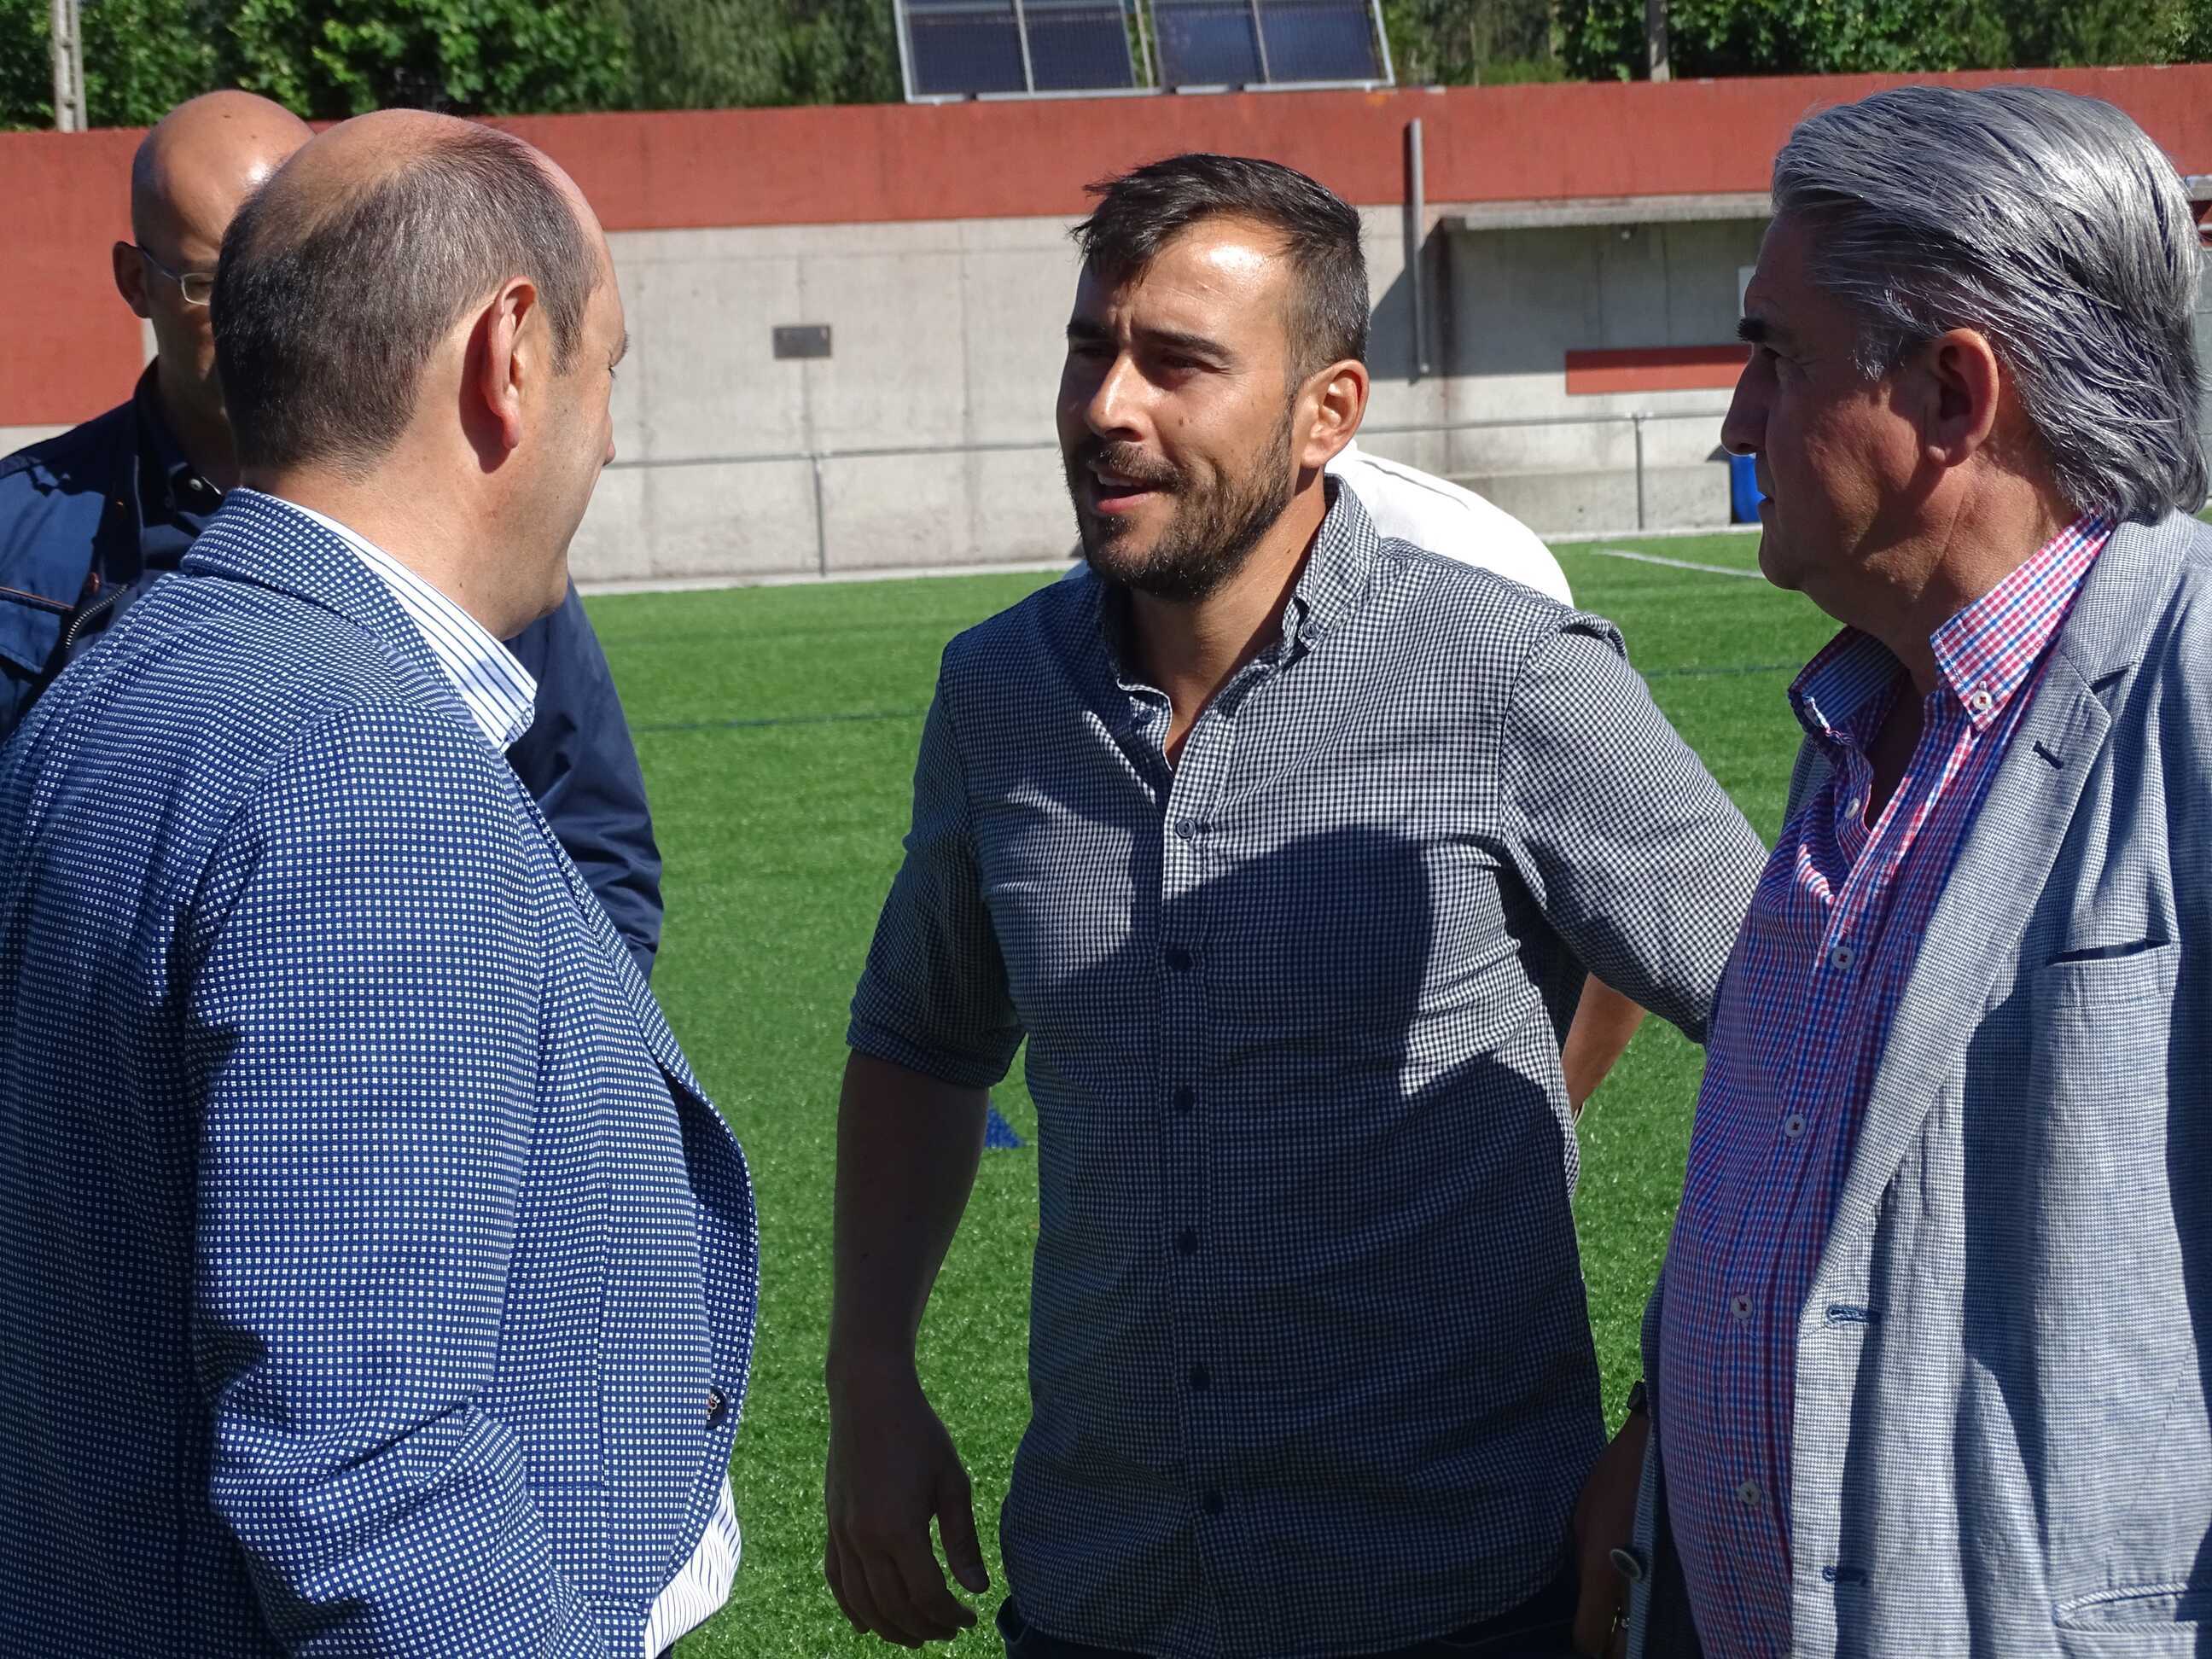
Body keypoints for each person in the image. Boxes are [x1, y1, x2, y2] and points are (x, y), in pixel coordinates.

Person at [823, 153, 1766, 1659]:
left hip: (1454, 1596)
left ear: (1326, 412)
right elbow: (922, 1040)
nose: (1107, 405)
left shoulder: (1509, 674)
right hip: (1103, 1589)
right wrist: (870, 1372)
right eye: (1090, 348)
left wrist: (1669, 1413)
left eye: (1177, 363)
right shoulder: (998, 691)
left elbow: (1800, 1033)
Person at [0, 111, 757, 1655]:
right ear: (508, 358)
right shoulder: (361, 768)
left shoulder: (134, 672)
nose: (609, 435)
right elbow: (365, 1477)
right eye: (608, 368)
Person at [1571, 85, 2212, 1659]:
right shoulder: (1866, 719)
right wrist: (1659, 1436)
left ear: (1952, 392)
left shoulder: (2192, 685)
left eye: (1774, 355)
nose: (1736, 424)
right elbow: (1793, 1176)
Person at [0, 89, 666, 979]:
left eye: (288, 273)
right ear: (135, 281)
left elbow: (595, 844)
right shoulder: (20, 536)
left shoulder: (465, 547)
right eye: (214, 284)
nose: (258, 316)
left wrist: (551, 1036)